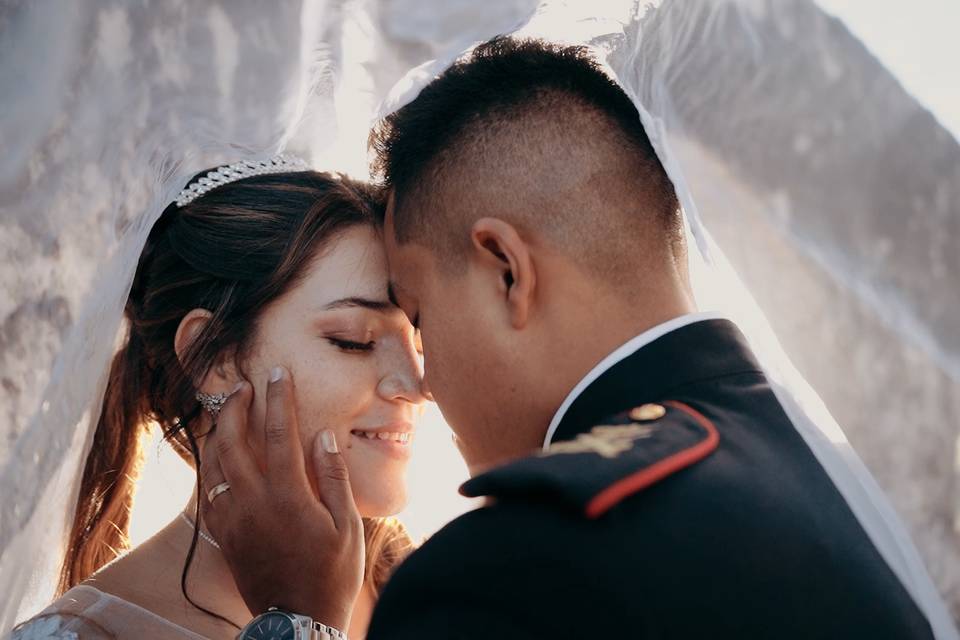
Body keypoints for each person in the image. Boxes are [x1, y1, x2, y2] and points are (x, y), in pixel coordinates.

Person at [201, 38, 946, 638]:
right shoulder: (867, 483)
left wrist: (295, 621)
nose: (421, 381)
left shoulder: (510, 571)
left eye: (420, 319)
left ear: (506, 272)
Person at [10, 160, 428, 639]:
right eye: (355, 340)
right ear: (217, 359)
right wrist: (301, 621)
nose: (419, 384)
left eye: (418, 339)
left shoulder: (433, 587)